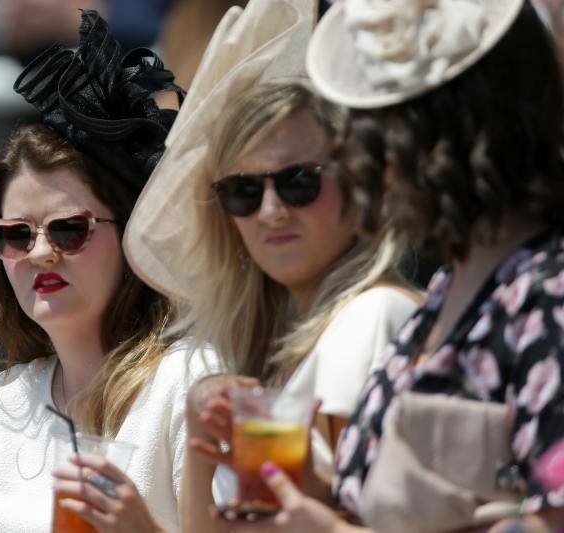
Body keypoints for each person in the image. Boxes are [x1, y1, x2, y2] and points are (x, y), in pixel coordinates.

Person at [217, 0, 564, 531]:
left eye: (381, 130)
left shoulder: (548, 293)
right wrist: (305, 486)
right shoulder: (450, 290)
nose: (361, 158)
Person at [122, 0, 420, 530]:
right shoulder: (267, 353)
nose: (272, 210)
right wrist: (200, 447)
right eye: (242, 192)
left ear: (359, 184)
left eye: (299, 180)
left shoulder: (370, 317)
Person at [0, 10, 215, 532]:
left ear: (130, 236)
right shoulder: (1, 405)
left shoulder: (188, 382)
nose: (40, 253)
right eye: (15, 235)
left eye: (70, 229)